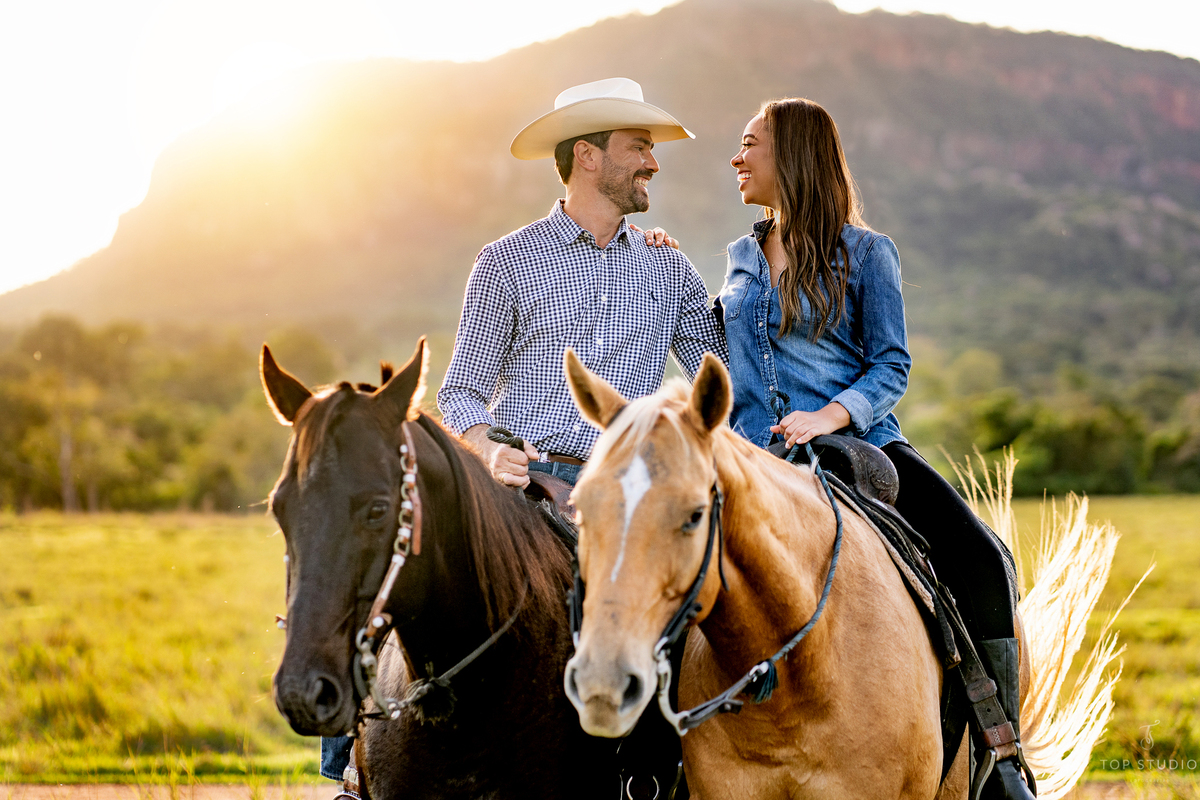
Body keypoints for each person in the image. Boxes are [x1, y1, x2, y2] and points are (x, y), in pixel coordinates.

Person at [322, 77, 726, 800]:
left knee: (677, 612)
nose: (654, 164)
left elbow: (721, 385)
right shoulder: (507, 261)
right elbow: (464, 390)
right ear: (587, 158)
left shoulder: (671, 270)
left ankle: (654, 779)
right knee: (400, 561)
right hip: (516, 485)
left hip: (622, 494)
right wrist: (484, 448)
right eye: (640, 147)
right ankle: (356, 761)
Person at [718, 97, 1032, 800]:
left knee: (981, 562)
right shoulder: (737, 258)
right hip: (752, 460)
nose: (736, 159)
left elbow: (891, 365)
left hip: (862, 446)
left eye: (749, 144)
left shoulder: (867, 253)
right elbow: (716, 350)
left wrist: (828, 416)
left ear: (793, 155)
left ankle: (1000, 761)